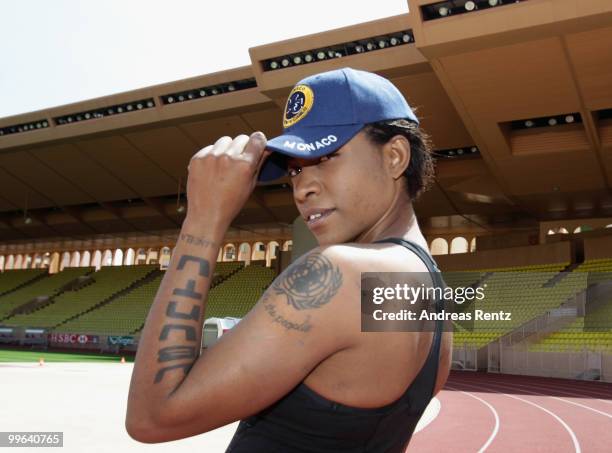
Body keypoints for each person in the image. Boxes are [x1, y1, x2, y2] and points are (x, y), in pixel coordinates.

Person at [125, 67, 452, 452]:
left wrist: (203, 219)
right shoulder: (427, 290)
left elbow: (152, 417)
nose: (302, 187)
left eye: (327, 156)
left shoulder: (342, 272)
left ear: (395, 156)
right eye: (296, 169)